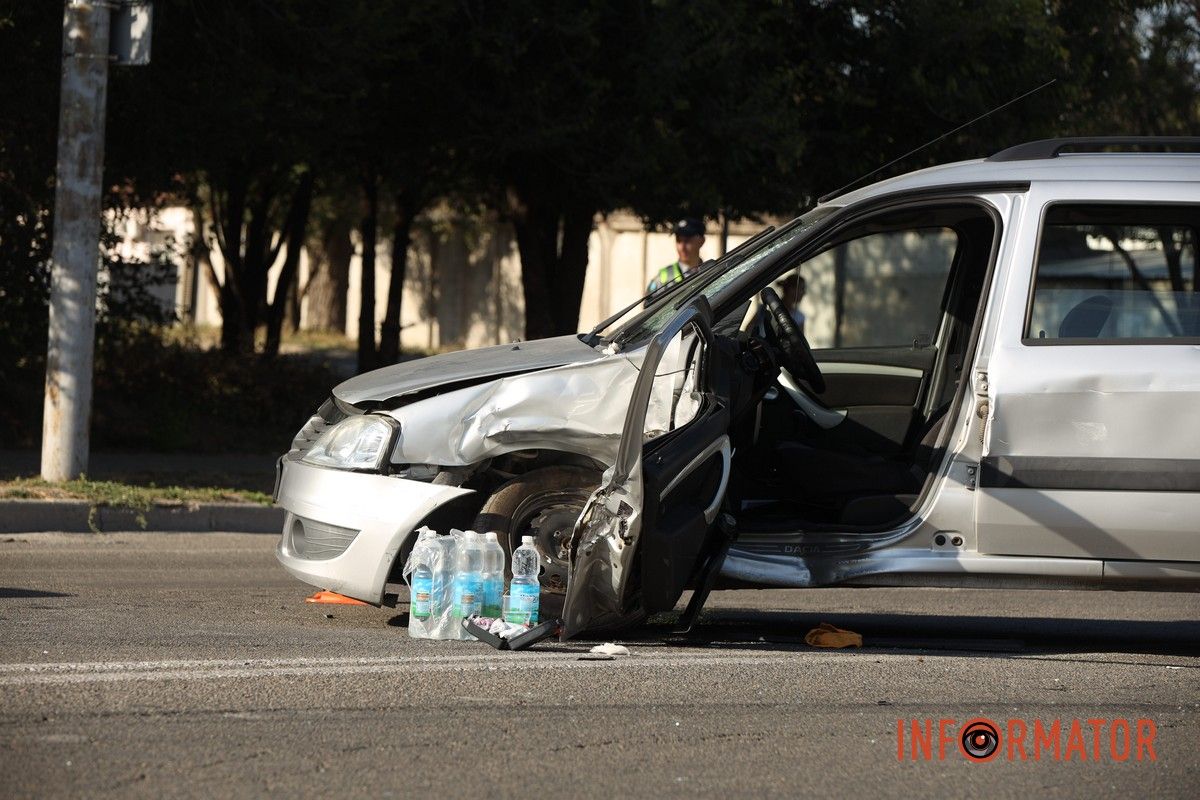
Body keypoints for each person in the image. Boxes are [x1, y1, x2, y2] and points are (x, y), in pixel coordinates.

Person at [646, 217, 706, 295]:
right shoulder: (662, 278)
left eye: (687, 241)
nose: (682, 247)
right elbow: (649, 305)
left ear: (701, 241)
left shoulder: (711, 273)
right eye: (679, 241)